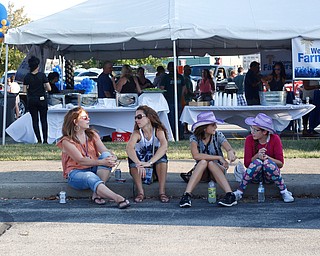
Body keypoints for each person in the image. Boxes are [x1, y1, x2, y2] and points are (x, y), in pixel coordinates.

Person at [56, 106, 130, 209]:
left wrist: (112, 156)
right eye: (84, 118)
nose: (88, 119)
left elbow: (104, 150)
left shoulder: (92, 134)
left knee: (106, 156)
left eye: (88, 117)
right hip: (76, 173)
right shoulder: (66, 141)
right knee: (89, 176)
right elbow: (80, 160)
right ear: (75, 122)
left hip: (93, 167)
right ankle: (117, 198)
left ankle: (97, 194)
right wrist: (102, 162)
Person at [179, 111, 238, 208]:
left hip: (217, 169)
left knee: (210, 163)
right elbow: (196, 156)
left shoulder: (217, 135)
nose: (216, 127)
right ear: (205, 128)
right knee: (203, 162)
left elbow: (229, 148)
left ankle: (230, 195)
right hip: (202, 172)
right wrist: (219, 157)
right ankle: (186, 195)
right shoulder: (194, 138)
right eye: (213, 125)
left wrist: (230, 153)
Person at [233, 113, 294, 203]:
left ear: (264, 132)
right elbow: (247, 163)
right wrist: (257, 156)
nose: (252, 132)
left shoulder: (275, 139)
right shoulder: (249, 140)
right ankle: (239, 192)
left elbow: (280, 163)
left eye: (255, 130)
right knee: (257, 162)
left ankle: (284, 191)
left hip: (270, 176)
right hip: (255, 176)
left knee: (267, 163)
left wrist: (267, 158)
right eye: (251, 129)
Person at [126, 105, 169, 203]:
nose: (137, 120)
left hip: (152, 163)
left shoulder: (158, 130)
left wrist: (150, 162)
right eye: (135, 118)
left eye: (139, 117)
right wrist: (138, 163)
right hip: (140, 166)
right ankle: (140, 192)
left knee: (162, 159)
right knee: (132, 160)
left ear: (149, 117)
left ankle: (162, 192)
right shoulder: (137, 133)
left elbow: (164, 146)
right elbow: (129, 148)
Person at [23, 56, 51, 144]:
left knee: (35, 120)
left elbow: (24, 90)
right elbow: (49, 88)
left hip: (31, 100)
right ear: (37, 66)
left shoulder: (27, 77)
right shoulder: (42, 75)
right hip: (42, 99)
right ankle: (45, 140)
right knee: (44, 120)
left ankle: (38, 139)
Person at [160, 61, 186, 140]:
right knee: (178, 118)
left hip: (172, 100)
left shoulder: (167, 77)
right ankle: (178, 135)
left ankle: (175, 135)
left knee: (174, 119)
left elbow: (161, 88)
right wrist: (181, 94)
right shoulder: (178, 77)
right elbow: (184, 87)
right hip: (172, 100)